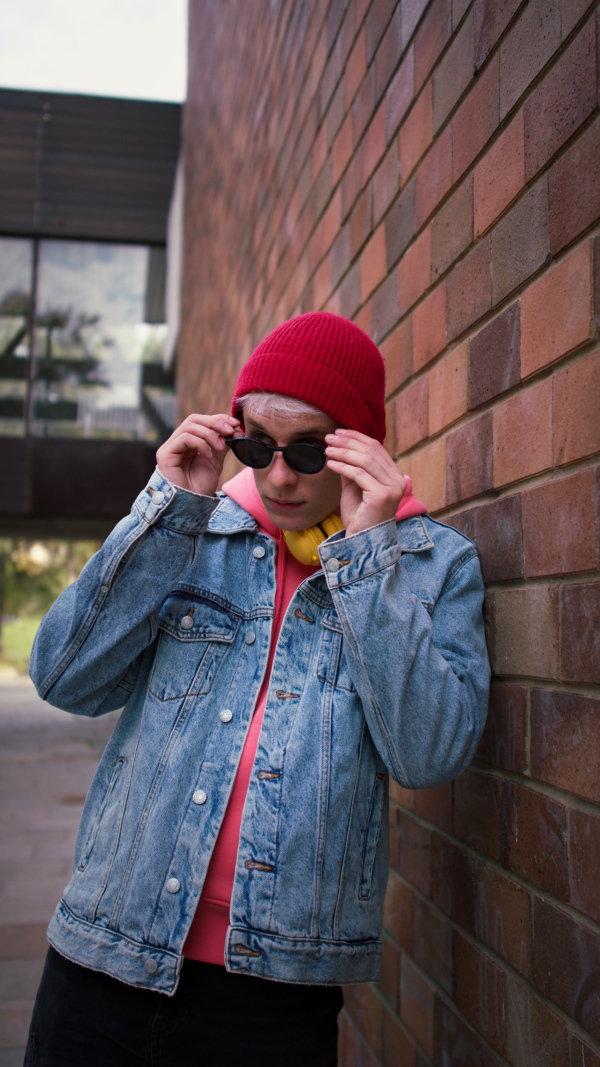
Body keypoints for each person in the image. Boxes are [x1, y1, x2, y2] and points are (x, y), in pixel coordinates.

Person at [25, 312, 490, 1066]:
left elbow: (429, 753)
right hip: (105, 952)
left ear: (362, 445)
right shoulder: (189, 531)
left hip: (274, 993)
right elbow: (65, 676)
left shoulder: (433, 568)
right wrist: (165, 510)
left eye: (309, 449)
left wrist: (368, 556)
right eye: (257, 445)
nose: (278, 475)